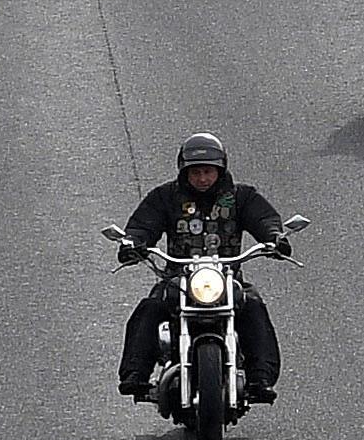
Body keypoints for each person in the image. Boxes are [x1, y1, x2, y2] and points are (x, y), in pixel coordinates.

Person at [115, 134, 287, 402]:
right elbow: (143, 225)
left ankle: (260, 378)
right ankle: (135, 374)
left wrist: (275, 238)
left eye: (208, 172)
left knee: (253, 306)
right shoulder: (165, 197)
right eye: (196, 172)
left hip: (227, 277)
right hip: (178, 279)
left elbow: (264, 219)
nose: (203, 178)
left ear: (221, 170)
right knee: (150, 308)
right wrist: (133, 243)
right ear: (185, 172)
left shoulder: (242, 197)